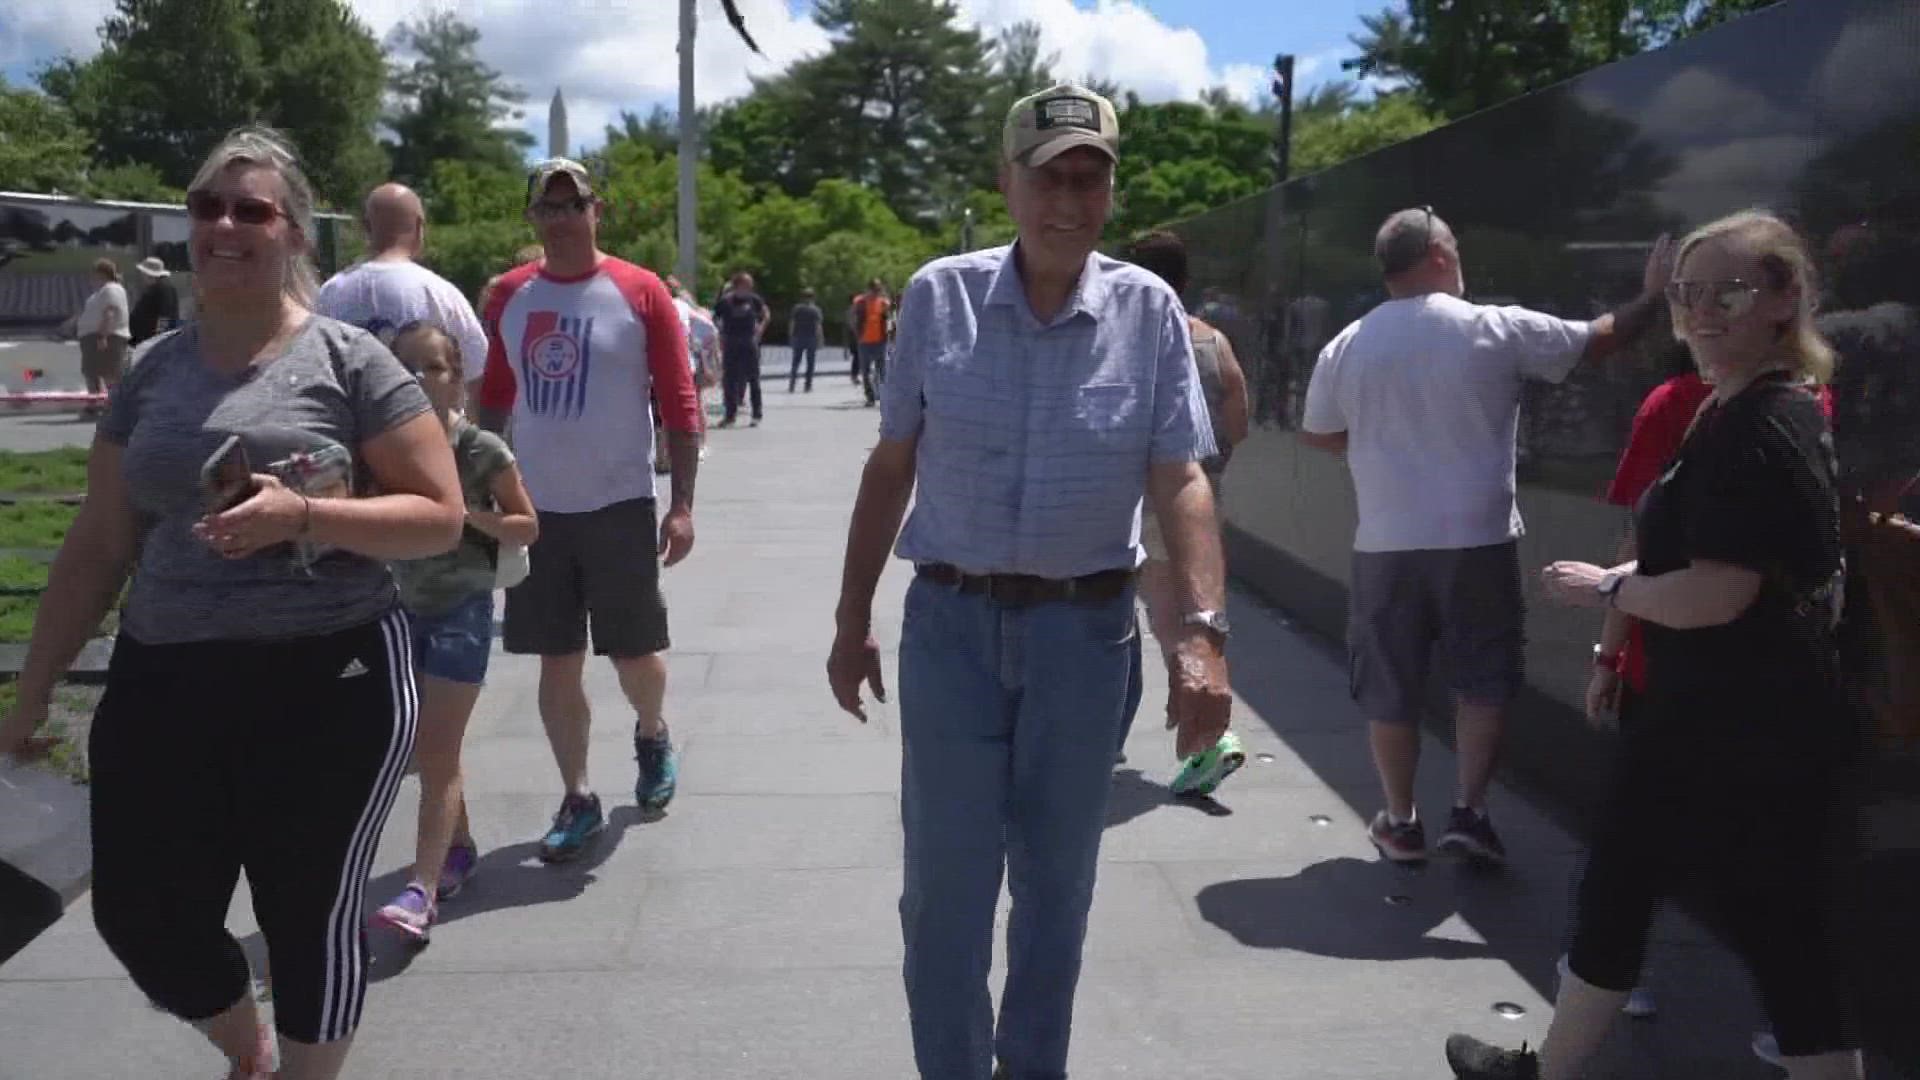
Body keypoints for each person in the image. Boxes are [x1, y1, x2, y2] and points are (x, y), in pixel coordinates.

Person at [0, 125, 463, 1080]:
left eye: (250, 209)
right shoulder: (154, 371)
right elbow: (98, 542)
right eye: (208, 205)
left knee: (309, 911)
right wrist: (33, 690)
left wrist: (308, 514)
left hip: (329, 678)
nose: (223, 224)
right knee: (138, 911)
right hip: (165, 673)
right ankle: (246, 1047)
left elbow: (440, 516)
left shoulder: (352, 363)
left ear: (292, 233)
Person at [828, 84, 1232, 1080]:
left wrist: (1203, 634)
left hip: (1083, 642)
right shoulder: (939, 297)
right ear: (1008, 183)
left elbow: (1179, 475)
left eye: (1089, 176)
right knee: (945, 897)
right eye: (1049, 175)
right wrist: (851, 620)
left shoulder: (1147, 314)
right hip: (953, 631)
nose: (1069, 198)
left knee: (1057, 894)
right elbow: (892, 465)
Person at [1447, 211, 1863, 1080]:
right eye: (1688, 293)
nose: (1704, 311)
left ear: (1785, 300)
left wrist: (1607, 590)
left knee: (1700, 909)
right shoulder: (1738, 404)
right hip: (1733, 719)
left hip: (1729, 726)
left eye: (1732, 291)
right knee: (1724, 914)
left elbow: (1718, 591)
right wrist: (1614, 648)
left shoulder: (1761, 422)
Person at [1298, 206, 1673, 867]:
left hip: (1384, 544)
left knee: (1390, 684)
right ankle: (1470, 812)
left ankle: (1400, 820)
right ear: (1440, 257)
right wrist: (1654, 293)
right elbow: (1598, 339)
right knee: (1483, 679)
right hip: (1478, 538)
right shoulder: (1492, 328)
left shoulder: (1347, 344)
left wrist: (1383, 446)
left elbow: (1321, 432)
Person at [473, 158, 701, 863]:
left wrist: (683, 504)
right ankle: (577, 796)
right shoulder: (509, 295)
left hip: (620, 502)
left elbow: (679, 399)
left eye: (576, 205)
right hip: (539, 511)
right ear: (533, 217)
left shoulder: (640, 291)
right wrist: (484, 482)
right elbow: (497, 400)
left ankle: (652, 732)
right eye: (551, 206)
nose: (565, 218)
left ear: (598, 211)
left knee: (636, 651)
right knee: (557, 657)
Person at [371, 322, 538, 944]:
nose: (419, 380)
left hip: (460, 612)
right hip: (395, 610)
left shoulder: (481, 450)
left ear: (456, 378)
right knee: (424, 748)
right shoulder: (384, 450)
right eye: (406, 368)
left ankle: (420, 890)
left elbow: (527, 525)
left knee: (436, 750)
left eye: (433, 368)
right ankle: (458, 848)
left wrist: (467, 517)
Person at [1118, 229, 1252, 794]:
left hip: (1146, 499)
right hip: (1203, 497)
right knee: (1186, 614)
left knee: (1169, 621)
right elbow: (1238, 422)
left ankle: (1213, 738)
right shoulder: (1213, 342)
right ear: (1186, 280)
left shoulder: (1127, 337)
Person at [314, 182, 489, 382]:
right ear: (419, 226)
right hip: (426, 412)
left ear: (366, 228)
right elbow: (478, 374)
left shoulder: (331, 292)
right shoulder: (442, 294)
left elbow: (313, 369)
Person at [712, 271, 769, 427]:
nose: (748, 288)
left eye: (749, 286)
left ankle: (757, 414)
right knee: (729, 380)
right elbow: (714, 317)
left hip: (749, 341)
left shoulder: (754, 300)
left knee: (753, 378)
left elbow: (765, 313)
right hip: (731, 341)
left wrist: (761, 327)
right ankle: (730, 415)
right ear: (737, 286)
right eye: (745, 285)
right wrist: (719, 331)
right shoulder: (726, 301)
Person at [76, 258, 130, 401]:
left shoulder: (110, 289)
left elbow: (110, 312)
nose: (91, 278)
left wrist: (102, 336)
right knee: (93, 372)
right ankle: (98, 403)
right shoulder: (101, 292)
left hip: (105, 337)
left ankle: (110, 405)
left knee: (108, 373)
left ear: (100, 274)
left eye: (93, 274)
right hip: (94, 337)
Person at [852, 278, 891, 405]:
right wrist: (857, 334)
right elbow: (853, 317)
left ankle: (885, 396)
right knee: (866, 371)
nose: (876, 292)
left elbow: (890, 319)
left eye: (878, 289)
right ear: (868, 289)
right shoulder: (860, 301)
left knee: (883, 371)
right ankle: (870, 397)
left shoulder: (884, 302)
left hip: (880, 341)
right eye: (874, 289)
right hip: (864, 341)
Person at [128, 256, 180, 346]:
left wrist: (158, 339)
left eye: (143, 272)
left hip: (152, 342)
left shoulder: (164, 289)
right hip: (144, 341)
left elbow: (165, 316)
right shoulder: (155, 288)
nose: (141, 275)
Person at [789, 287, 823, 392]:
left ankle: (792, 384)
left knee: (796, 362)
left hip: (798, 337)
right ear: (813, 297)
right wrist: (820, 338)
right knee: (810, 362)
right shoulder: (816, 310)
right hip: (811, 338)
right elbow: (818, 326)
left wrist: (791, 335)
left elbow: (792, 323)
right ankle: (807, 385)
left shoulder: (796, 309)